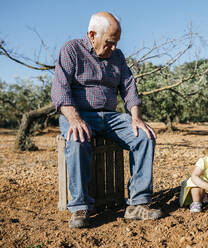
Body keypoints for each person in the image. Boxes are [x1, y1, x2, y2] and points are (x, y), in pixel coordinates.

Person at [51, 12, 162, 228]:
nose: (113, 48)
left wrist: (136, 118)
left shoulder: (118, 57)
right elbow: (60, 90)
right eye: (110, 43)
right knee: (77, 140)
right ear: (93, 35)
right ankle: (80, 207)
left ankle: (136, 204)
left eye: (116, 43)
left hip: (111, 117)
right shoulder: (71, 50)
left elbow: (129, 88)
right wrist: (74, 119)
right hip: (79, 114)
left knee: (144, 137)